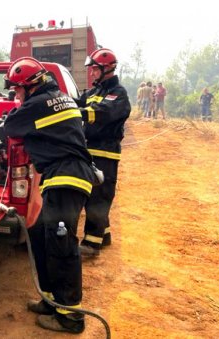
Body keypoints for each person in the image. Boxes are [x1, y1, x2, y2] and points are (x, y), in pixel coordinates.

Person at [3, 57, 94, 334]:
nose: (16, 94)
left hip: (69, 177)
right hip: (61, 177)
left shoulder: (38, 104)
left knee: (62, 244)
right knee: (41, 234)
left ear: (31, 85)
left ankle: (71, 316)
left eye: (17, 89)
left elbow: (10, 127)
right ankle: (51, 300)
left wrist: (15, 112)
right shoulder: (60, 98)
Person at [75, 48, 131, 257]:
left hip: (105, 153)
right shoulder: (94, 92)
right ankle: (104, 235)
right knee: (94, 195)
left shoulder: (118, 94)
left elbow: (103, 113)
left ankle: (91, 244)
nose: (92, 73)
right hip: (91, 151)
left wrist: (78, 113)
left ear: (107, 68)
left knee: (99, 196)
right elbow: (76, 102)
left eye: (94, 69)